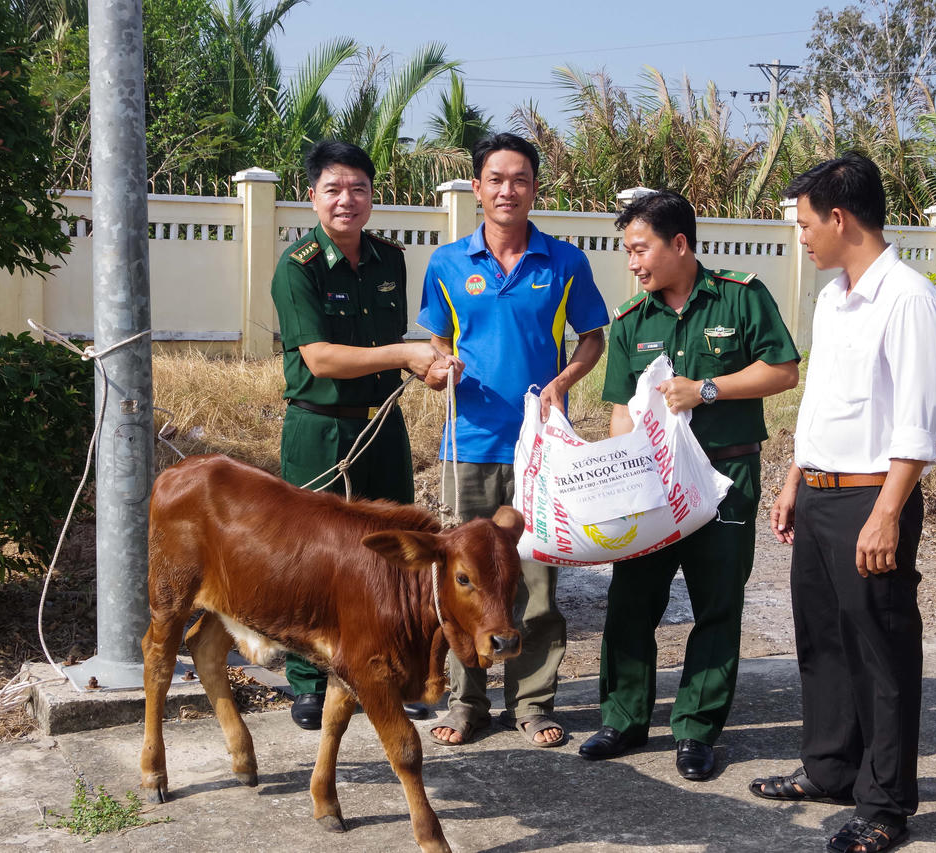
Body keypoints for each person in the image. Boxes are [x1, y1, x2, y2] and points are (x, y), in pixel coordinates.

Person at [749, 153, 936, 853]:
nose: (801, 237)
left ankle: (886, 803)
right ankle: (830, 767)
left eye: (806, 224)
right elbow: (823, 403)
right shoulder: (835, 296)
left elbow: (918, 423)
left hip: (873, 495)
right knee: (824, 639)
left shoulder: (909, 300)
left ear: (839, 218)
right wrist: (793, 480)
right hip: (820, 491)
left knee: (883, 652)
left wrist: (888, 512)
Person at [580, 190, 800, 780]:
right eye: (627, 252)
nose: (632, 263)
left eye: (640, 248)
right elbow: (622, 412)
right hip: (653, 485)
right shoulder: (631, 321)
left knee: (717, 606)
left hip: (725, 476)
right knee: (631, 602)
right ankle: (623, 720)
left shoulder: (742, 296)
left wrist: (707, 388)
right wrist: (616, 481)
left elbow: (782, 370)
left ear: (679, 243)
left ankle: (697, 731)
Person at [417, 132, 609, 747]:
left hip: (540, 452)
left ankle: (532, 703)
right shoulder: (447, 264)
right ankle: (465, 704)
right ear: (477, 188)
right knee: (465, 586)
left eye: (520, 178)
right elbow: (437, 343)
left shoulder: (565, 262)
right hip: (467, 445)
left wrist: (561, 383)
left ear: (533, 187)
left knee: (534, 584)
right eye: (496, 179)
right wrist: (440, 364)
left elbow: (593, 339)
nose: (508, 189)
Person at [271, 140, 458, 730]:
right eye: (333, 189)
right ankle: (308, 681)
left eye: (358, 189)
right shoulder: (295, 268)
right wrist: (405, 353)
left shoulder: (387, 259)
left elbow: (396, 347)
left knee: (393, 554)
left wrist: (425, 365)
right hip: (319, 428)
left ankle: (390, 672)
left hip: (382, 425)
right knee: (310, 558)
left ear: (373, 197)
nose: (346, 200)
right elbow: (321, 359)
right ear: (312, 197)